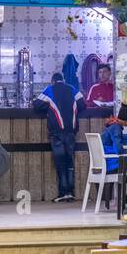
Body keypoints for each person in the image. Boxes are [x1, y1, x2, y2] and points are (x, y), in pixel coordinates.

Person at [36, 71, 83, 202]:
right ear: (63, 80)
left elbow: (36, 105)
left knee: (60, 163)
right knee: (69, 162)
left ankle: (63, 192)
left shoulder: (49, 90)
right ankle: (70, 192)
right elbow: (82, 105)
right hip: (71, 133)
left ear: (52, 81)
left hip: (56, 134)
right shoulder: (73, 89)